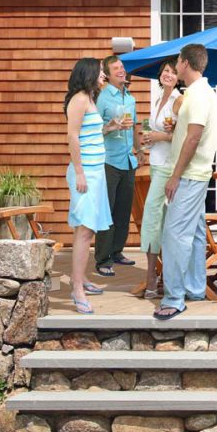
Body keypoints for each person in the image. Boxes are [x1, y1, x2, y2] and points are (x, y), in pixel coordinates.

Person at [154, 43, 217, 320]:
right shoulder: (196, 93)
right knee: (195, 232)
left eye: (178, 61)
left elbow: (193, 138)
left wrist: (175, 175)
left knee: (174, 235)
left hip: (189, 175)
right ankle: (194, 288)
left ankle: (174, 298)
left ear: (185, 63)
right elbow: (187, 133)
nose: (175, 66)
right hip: (196, 174)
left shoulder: (199, 95)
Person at [64, 57, 112, 314]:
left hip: (96, 172)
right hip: (85, 174)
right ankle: (77, 290)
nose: (103, 75)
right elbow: (72, 136)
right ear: (89, 73)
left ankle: (80, 278)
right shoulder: (79, 99)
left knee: (86, 229)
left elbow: (89, 134)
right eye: (101, 71)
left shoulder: (91, 98)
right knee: (85, 230)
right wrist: (80, 172)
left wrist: (108, 128)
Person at [94, 55, 140, 278]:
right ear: (108, 74)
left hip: (128, 161)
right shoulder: (102, 98)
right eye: (116, 68)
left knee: (123, 210)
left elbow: (134, 126)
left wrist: (140, 150)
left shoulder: (130, 98)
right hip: (109, 161)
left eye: (122, 67)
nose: (121, 70)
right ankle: (103, 259)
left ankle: (117, 251)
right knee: (107, 211)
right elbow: (93, 130)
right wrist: (110, 127)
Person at [139, 59, 182, 298]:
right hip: (155, 164)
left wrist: (161, 136)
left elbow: (183, 135)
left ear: (178, 78)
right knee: (161, 220)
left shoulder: (178, 100)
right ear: (160, 74)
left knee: (151, 217)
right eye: (166, 71)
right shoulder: (157, 99)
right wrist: (148, 139)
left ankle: (151, 277)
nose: (169, 75)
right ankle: (163, 276)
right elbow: (153, 131)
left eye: (173, 72)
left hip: (168, 166)